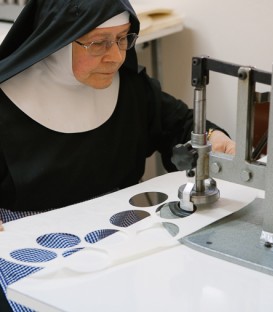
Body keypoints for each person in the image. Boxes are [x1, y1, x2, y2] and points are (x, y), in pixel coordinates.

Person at [0, 0, 235, 310]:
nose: (116, 56)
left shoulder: (132, 89)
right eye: (99, 43)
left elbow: (181, 127)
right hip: (28, 242)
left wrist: (214, 137)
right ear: (56, 41)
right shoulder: (6, 100)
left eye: (123, 38)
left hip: (120, 235)